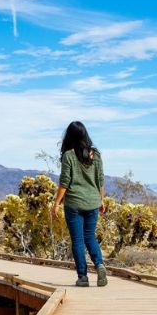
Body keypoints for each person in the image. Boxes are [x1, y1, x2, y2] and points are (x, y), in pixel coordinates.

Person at [51, 121, 108, 287]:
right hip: (92, 202)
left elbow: (65, 182)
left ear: (69, 136)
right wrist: (101, 200)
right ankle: (99, 265)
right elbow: (101, 180)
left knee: (77, 241)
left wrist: (56, 203)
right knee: (90, 237)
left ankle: (83, 277)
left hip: (74, 204)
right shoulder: (96, 155)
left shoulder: (69, 155)